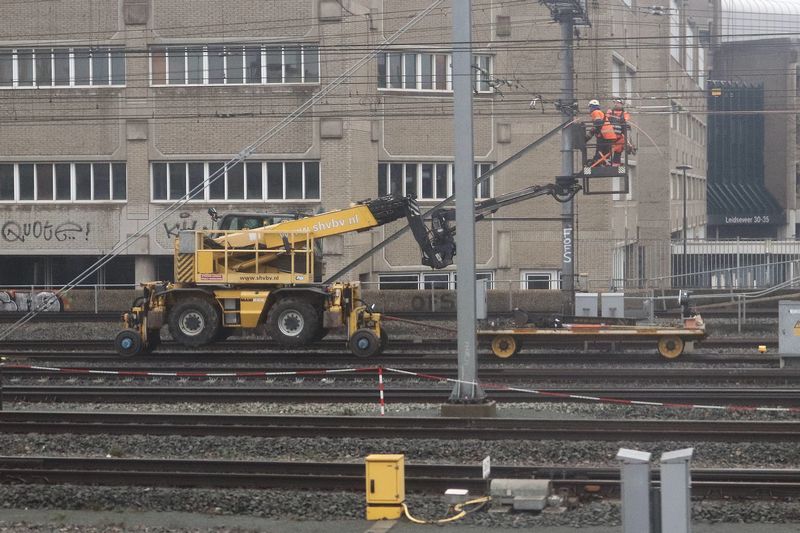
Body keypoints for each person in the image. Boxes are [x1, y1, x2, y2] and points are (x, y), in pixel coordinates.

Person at [587, 99, 616, 166]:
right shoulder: (600, 112)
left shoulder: (595, 112)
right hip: (610, 135)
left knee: (599, 149)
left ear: (591, 106)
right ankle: (605, 162)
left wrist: (593, 131)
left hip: (604, 135)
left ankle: (597, 161)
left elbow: (598, 122)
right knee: (606, 151)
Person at [607, 98, 633, 165]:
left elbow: (626, 119)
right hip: (609, 135)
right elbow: (607, 118)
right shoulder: (610, 111)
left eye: (617, 103)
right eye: (615, 103)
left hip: (619, 136)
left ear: (621, 104)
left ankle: (616, 162)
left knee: (619, 149)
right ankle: (606, 161)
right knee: (606, 148)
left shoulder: (624, 113)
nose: (616, 104)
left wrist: (622, 120)